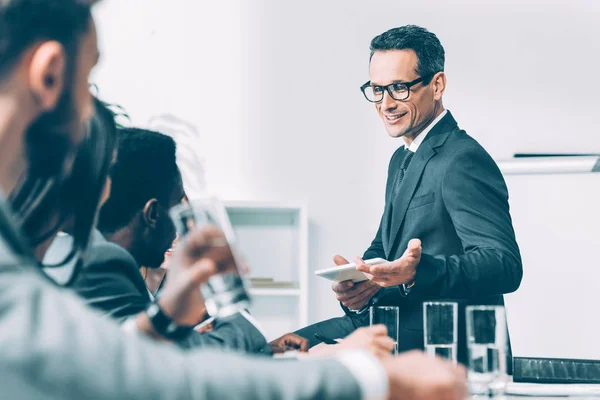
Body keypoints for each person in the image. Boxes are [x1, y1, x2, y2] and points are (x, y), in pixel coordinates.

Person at [0, 2, 468, 398]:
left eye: (398, 87)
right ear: (50, 74)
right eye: (88, 81)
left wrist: (161, 320)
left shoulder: (449, 156)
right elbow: (135, 379)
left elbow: (92, 360)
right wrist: (367, 377)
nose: (93, 117)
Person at [297, 25, 523, 364]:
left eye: (399, 88)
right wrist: (362, 282)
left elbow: (504, 265)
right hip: (389, 328)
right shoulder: (402, 157)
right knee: (278, 348)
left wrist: (417, 273)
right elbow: (384, 248)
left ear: (437, 85)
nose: (386, 104)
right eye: (377, 90)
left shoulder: (462, 159)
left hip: (442, 351)